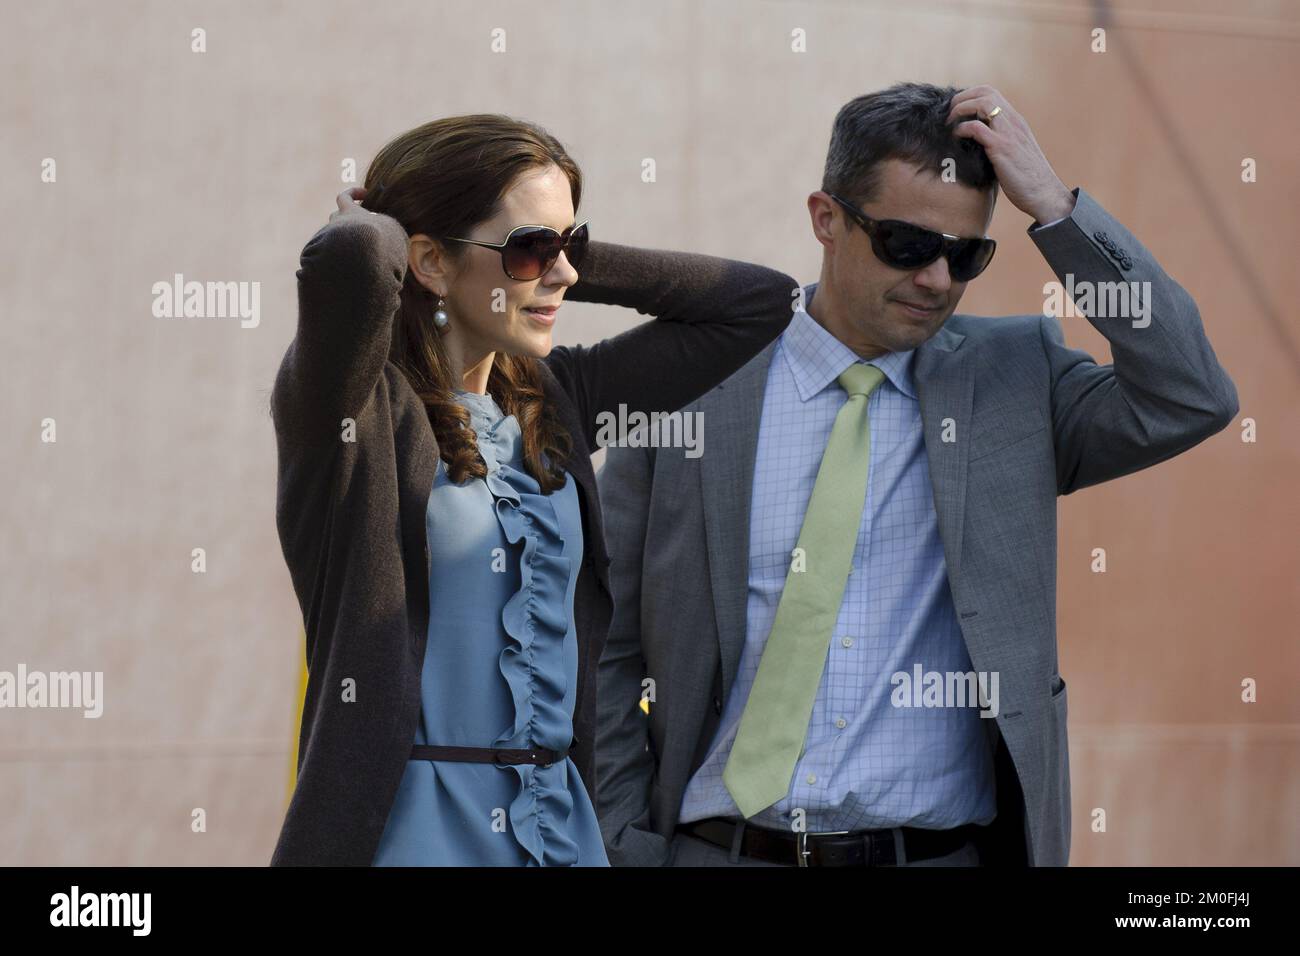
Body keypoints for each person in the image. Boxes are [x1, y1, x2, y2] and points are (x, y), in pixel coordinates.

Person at [594, 82, 1238, 867]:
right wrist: (623, 845)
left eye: (965, 254)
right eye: (907, 244)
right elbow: (604, 642)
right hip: (716, 850)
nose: (937, 278)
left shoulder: (1016, 382)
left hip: (937, 855)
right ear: (826, 219)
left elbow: (1190, 394)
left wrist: (1058, 213)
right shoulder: (697, 383)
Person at [268, 114, 795, 865]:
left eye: (568, 246)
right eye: (531, 249)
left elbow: (758, 303)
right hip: (411, 836)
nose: (565, 275)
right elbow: (348, 257)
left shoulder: (559, 398)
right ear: (428, 262)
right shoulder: (351, 413)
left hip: (559, 833)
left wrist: (556, 252)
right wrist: (384, 224)